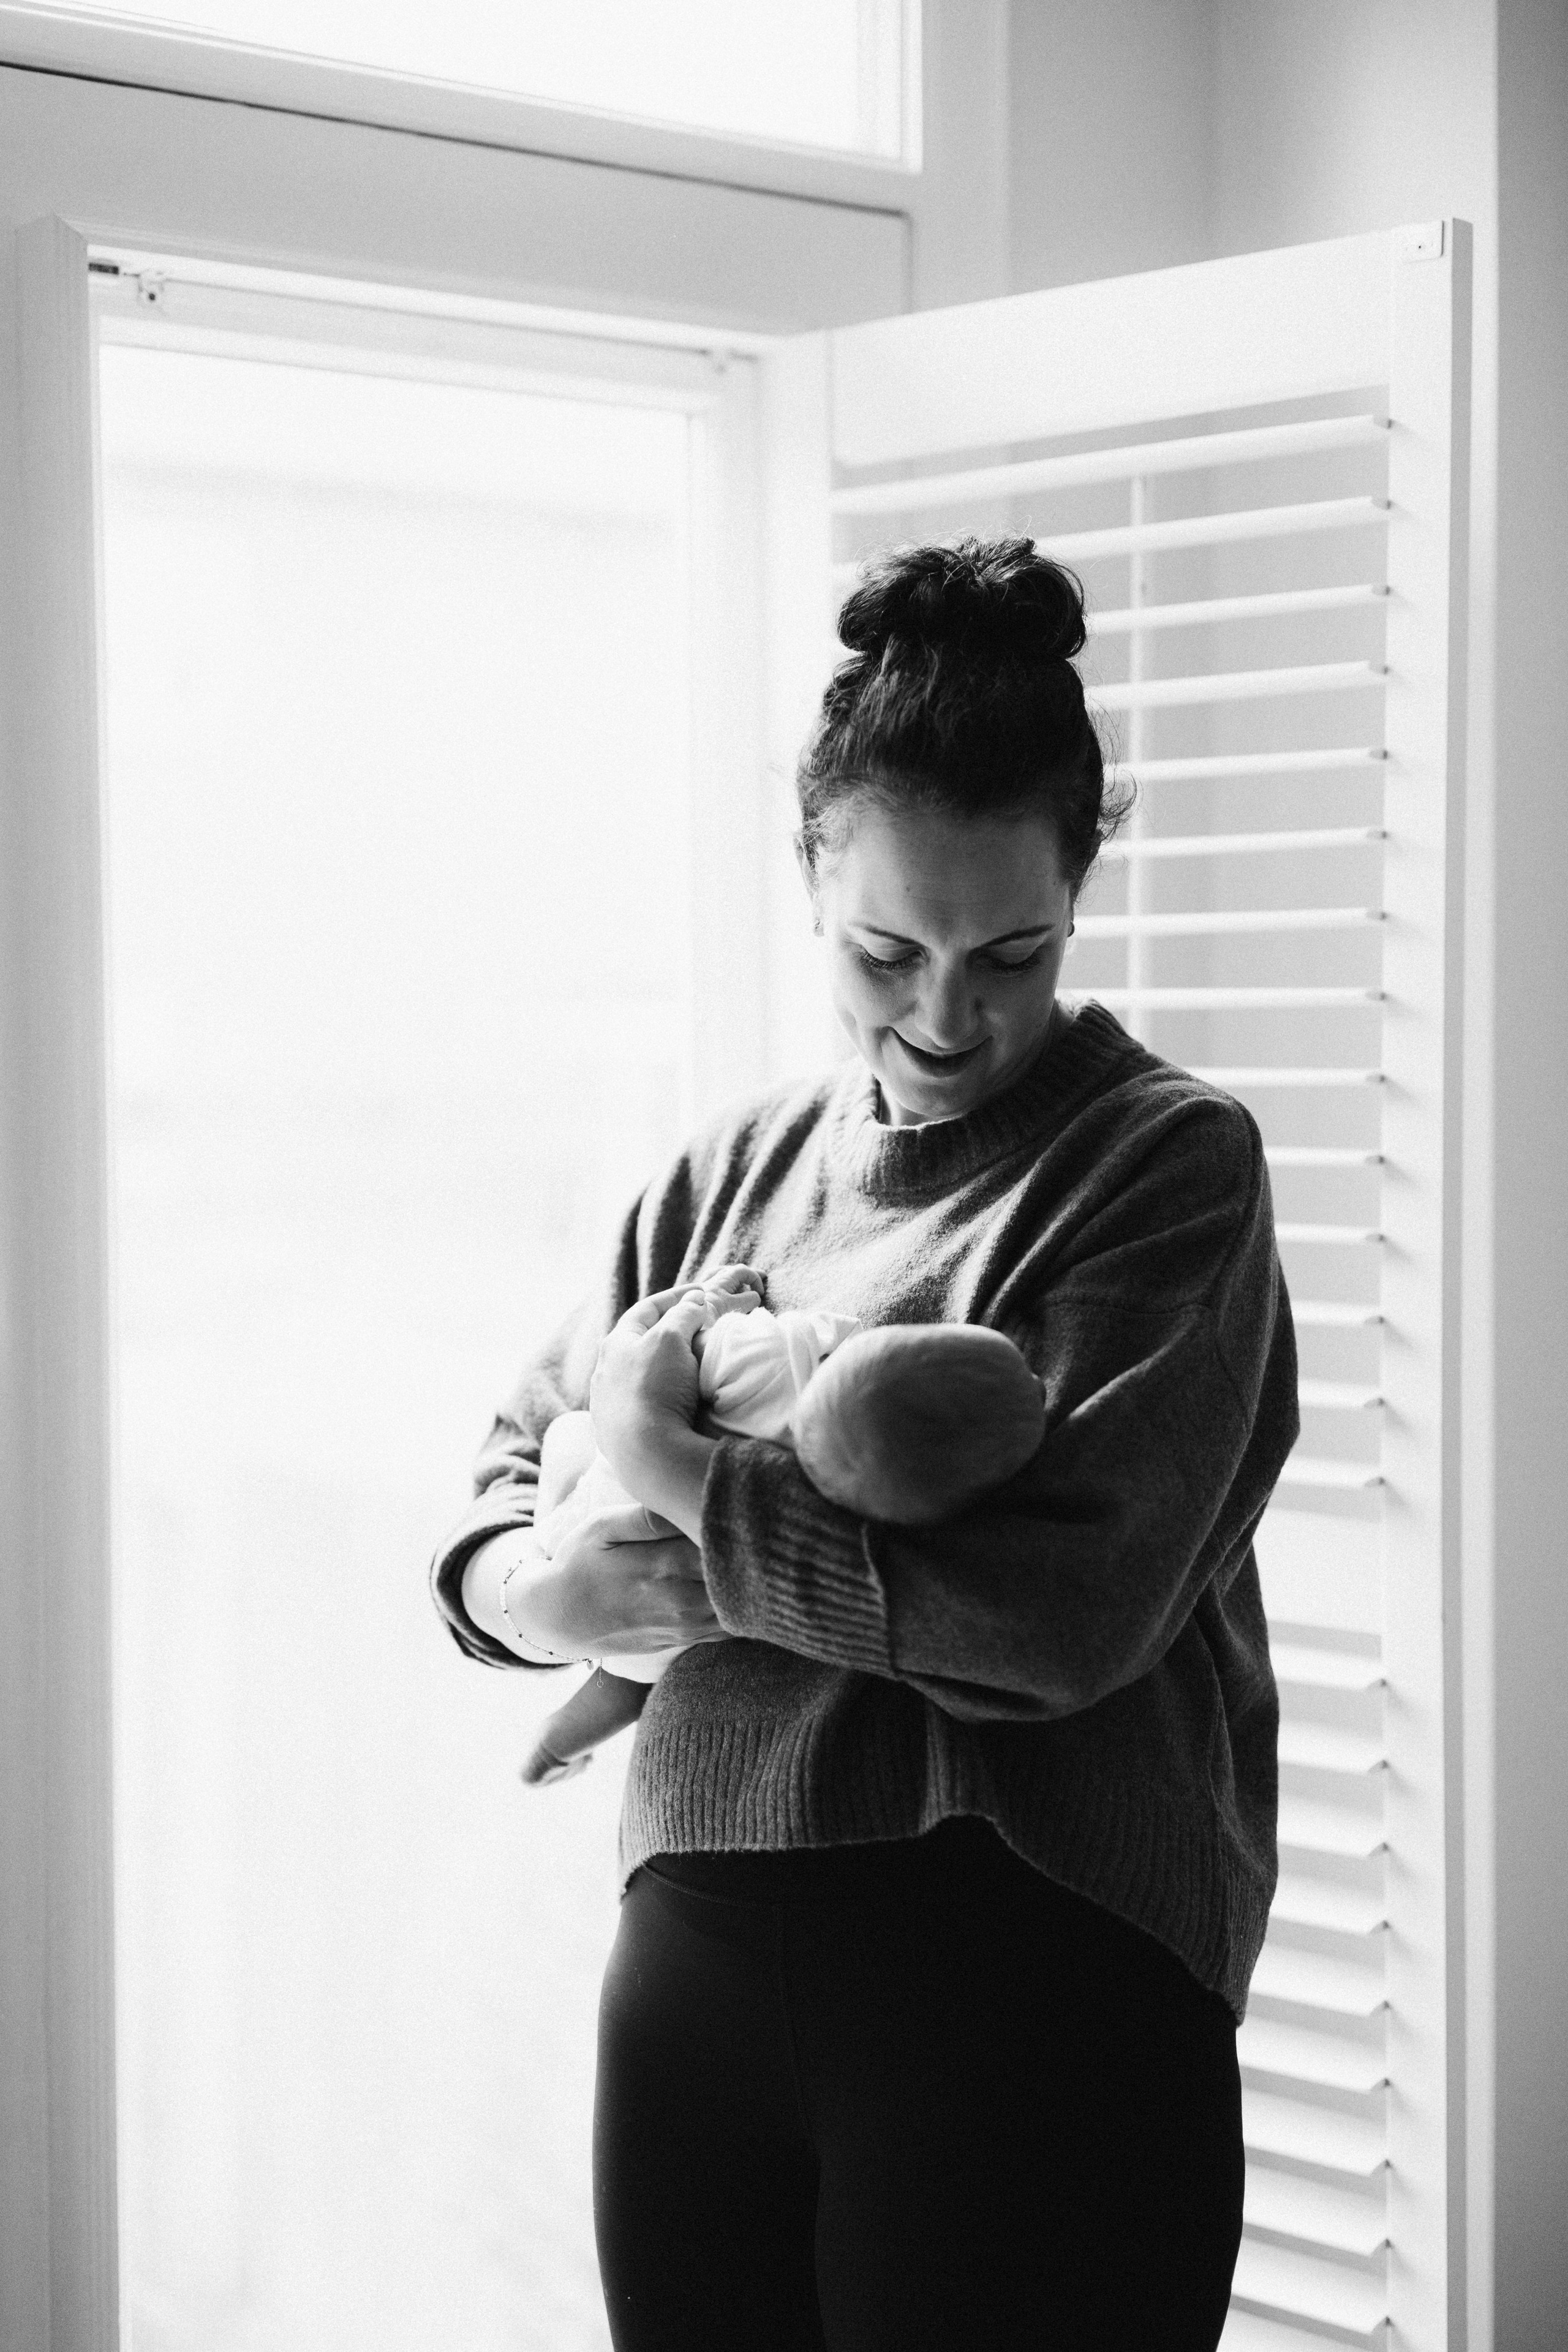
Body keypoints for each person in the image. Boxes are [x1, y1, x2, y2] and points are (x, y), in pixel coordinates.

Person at [429, 535, 1299, 2351]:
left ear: (1081, 884)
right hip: (695, 1981)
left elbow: (1053, 1623)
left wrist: (677, 1480)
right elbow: (518, 1464)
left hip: (1033, 1983)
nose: (944, 1013)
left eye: (1012, 950)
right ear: (809, 878)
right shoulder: (723, 1169)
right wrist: (536, 1583)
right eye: (882, 949)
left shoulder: (1159, 1166)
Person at [519, 1302, 1046, 1785]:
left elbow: (687, 1340)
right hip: (669, 1620)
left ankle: (547, 1545)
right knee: (637, 1674)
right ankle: (561, 1735)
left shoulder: (779, 1351)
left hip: (594, 1512)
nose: (1043, 1383)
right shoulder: (838, 1510)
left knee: (568, 1432)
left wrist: (719, 1298)